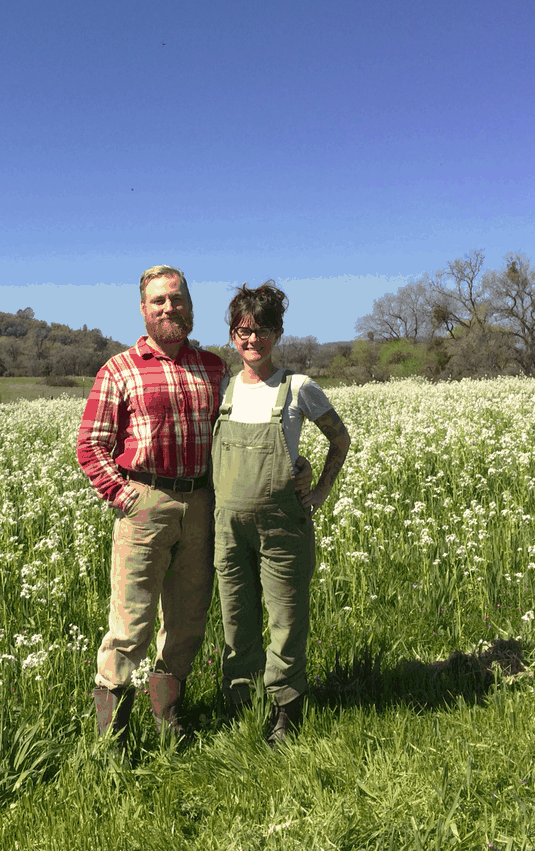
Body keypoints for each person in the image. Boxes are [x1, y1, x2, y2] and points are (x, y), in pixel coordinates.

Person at [76, 266, 311, 746]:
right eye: (159, 301)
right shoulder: (119, 369)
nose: (169, 308)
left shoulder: (212, 368)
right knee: (131, 624)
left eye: (177, 299)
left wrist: (295, 460)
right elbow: (90, 445)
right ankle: (112, 737)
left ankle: (169, 721)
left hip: (204, 504)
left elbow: (251, 424)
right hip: (145, 501)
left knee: (186, 622)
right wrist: (126, 497)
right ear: (144, 310)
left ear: (190, 305)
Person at [212, 280, 350, 746]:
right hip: (227, 529)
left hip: (282, 527)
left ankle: (286, 710)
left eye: (263, 329)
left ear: (278, 333)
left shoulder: (298, 387)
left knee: (287, 619)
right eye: (244, 330)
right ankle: (240, 706)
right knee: (237, 620)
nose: (253, 339)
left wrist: (320, 490)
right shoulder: (220, 389)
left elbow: (340, 437)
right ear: (233, 335)